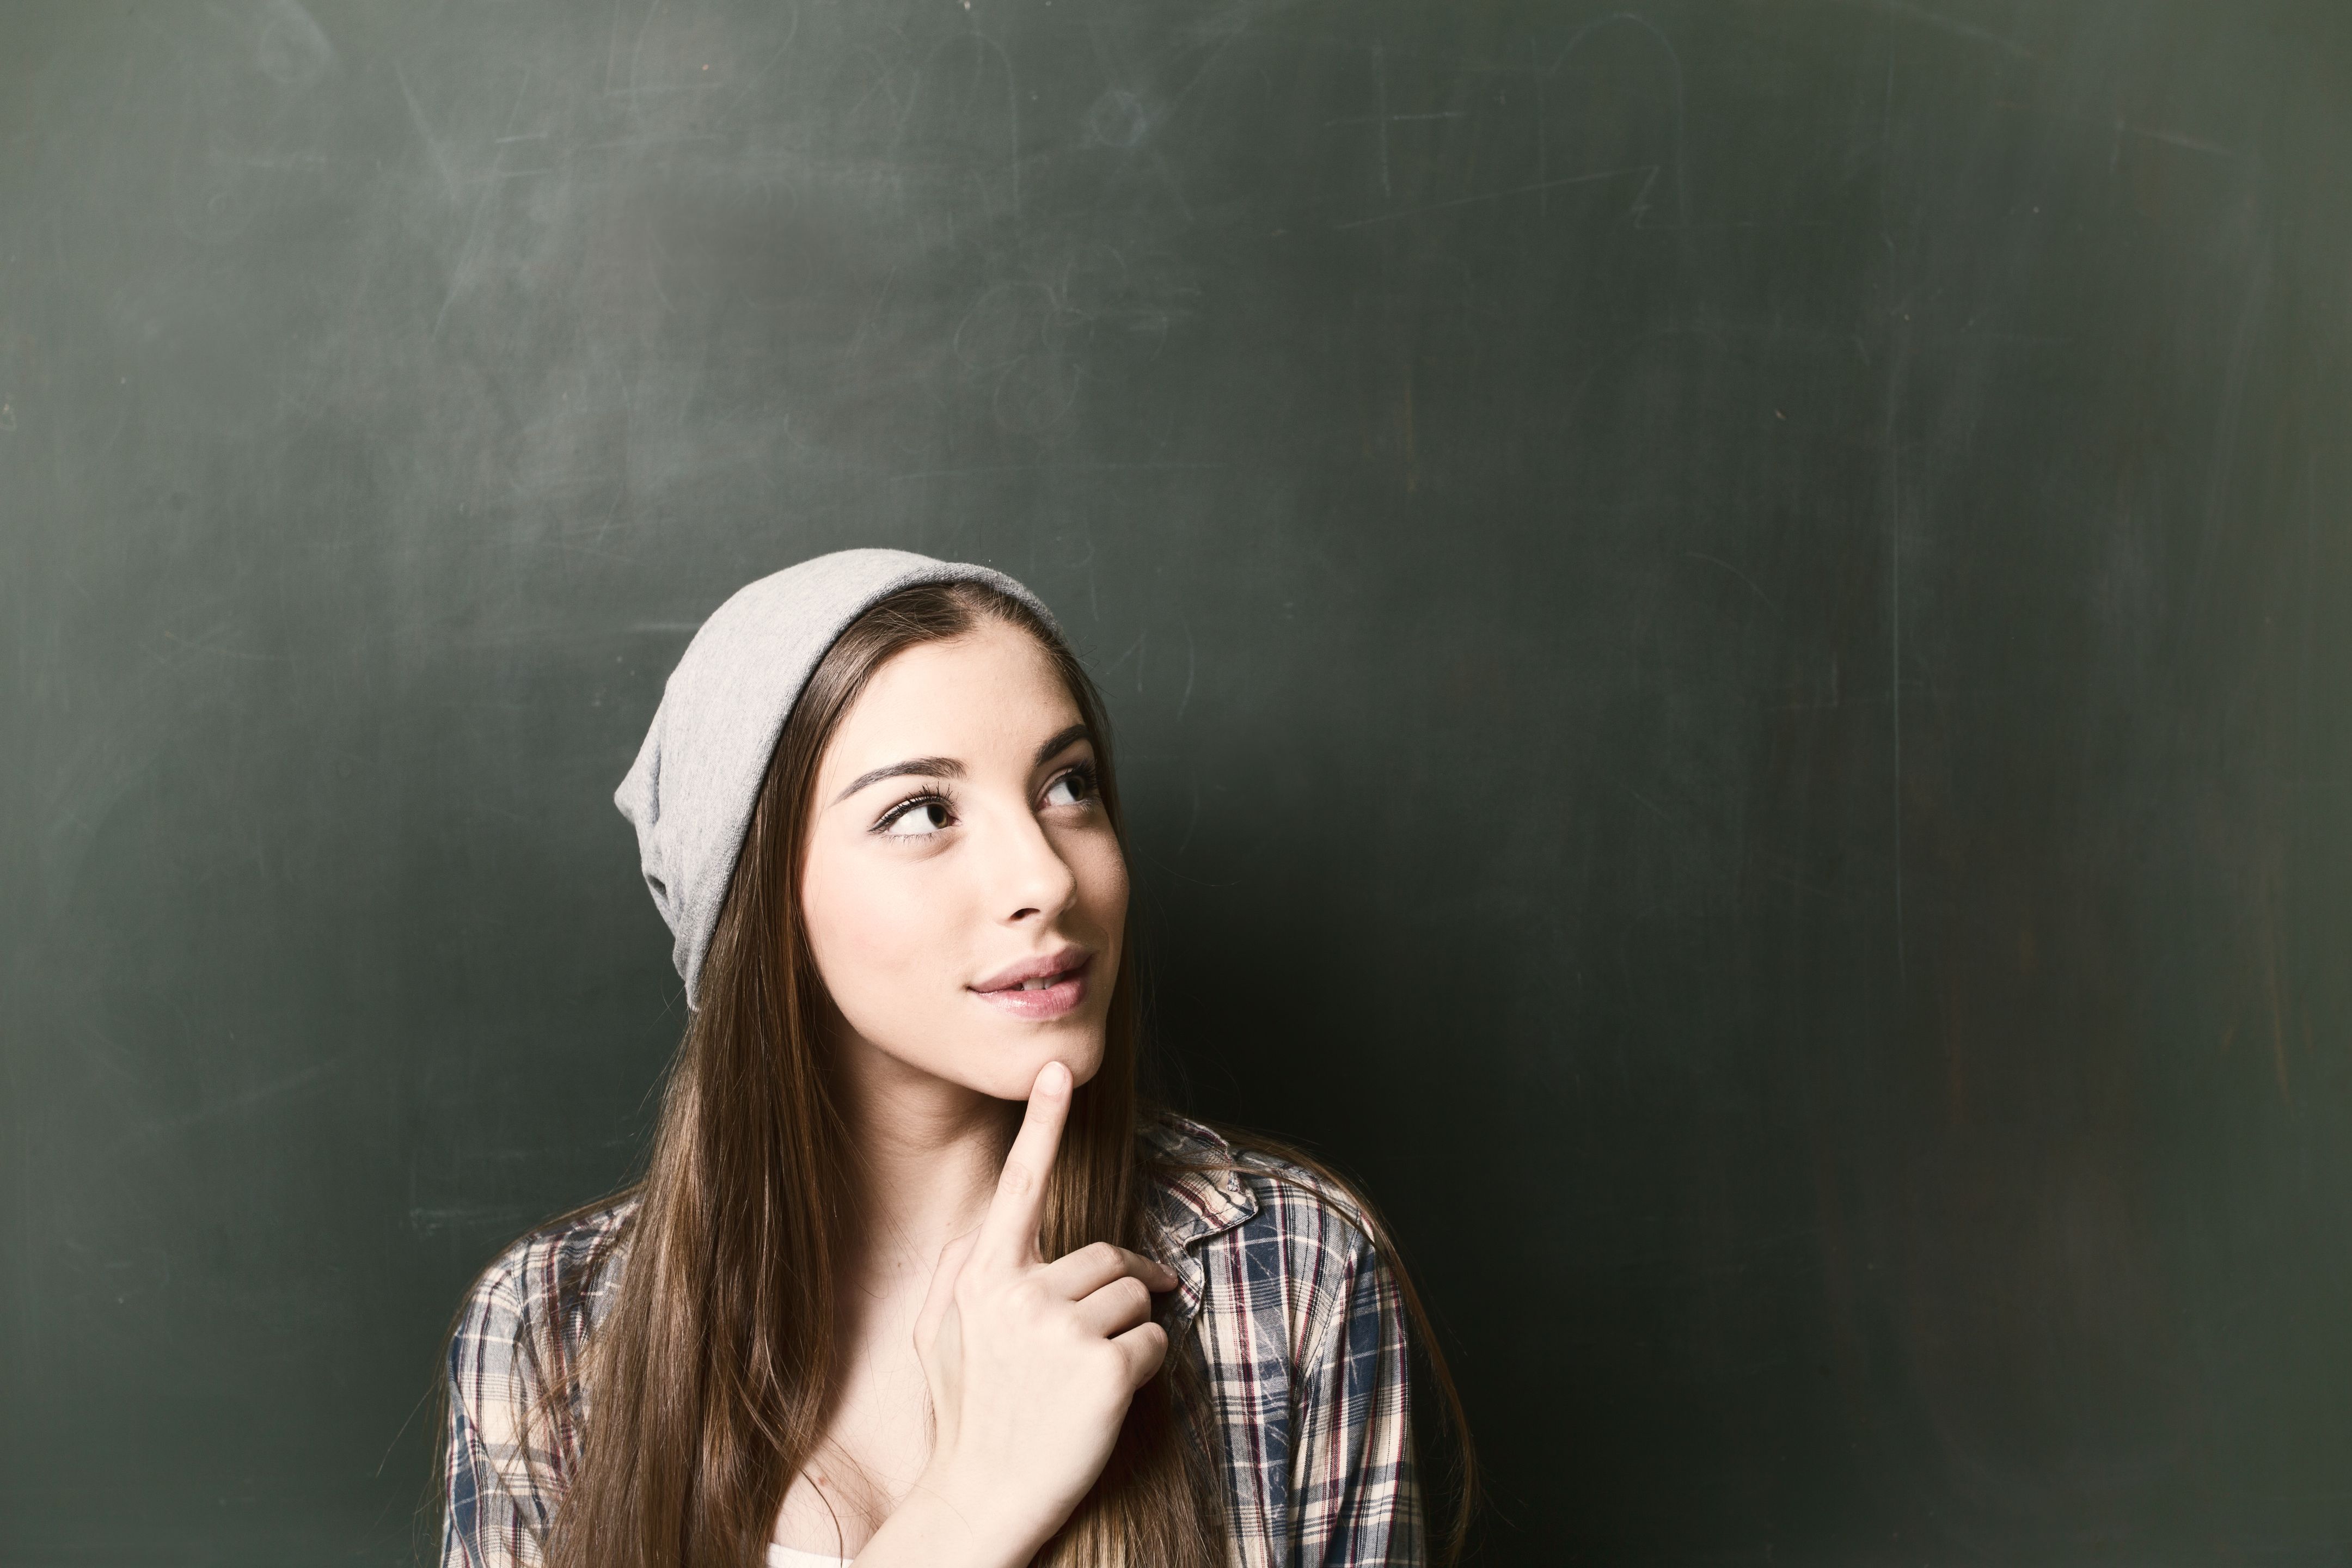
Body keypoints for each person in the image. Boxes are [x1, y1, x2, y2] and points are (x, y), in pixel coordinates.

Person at [436, 549, 1472, 1568]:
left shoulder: (1286, 1274)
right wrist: (968, 1514)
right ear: (758, 905)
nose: (1045, 876)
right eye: (923, 812)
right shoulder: (550, 1334)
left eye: (1068, 787)